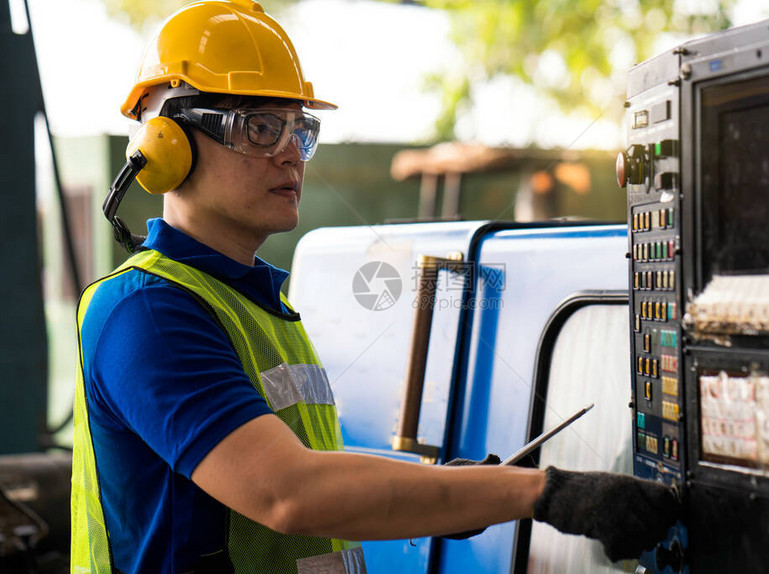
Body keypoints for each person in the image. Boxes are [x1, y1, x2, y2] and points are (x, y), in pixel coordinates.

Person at [70, 1, 681, 572]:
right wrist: (546, 493)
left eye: (299, 129)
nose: (292, 154)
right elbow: (288, 492)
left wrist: (457, 490)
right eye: (259, 128)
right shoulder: (148, 312)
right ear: (168, 145)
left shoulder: (252, 302)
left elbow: (314, 472)